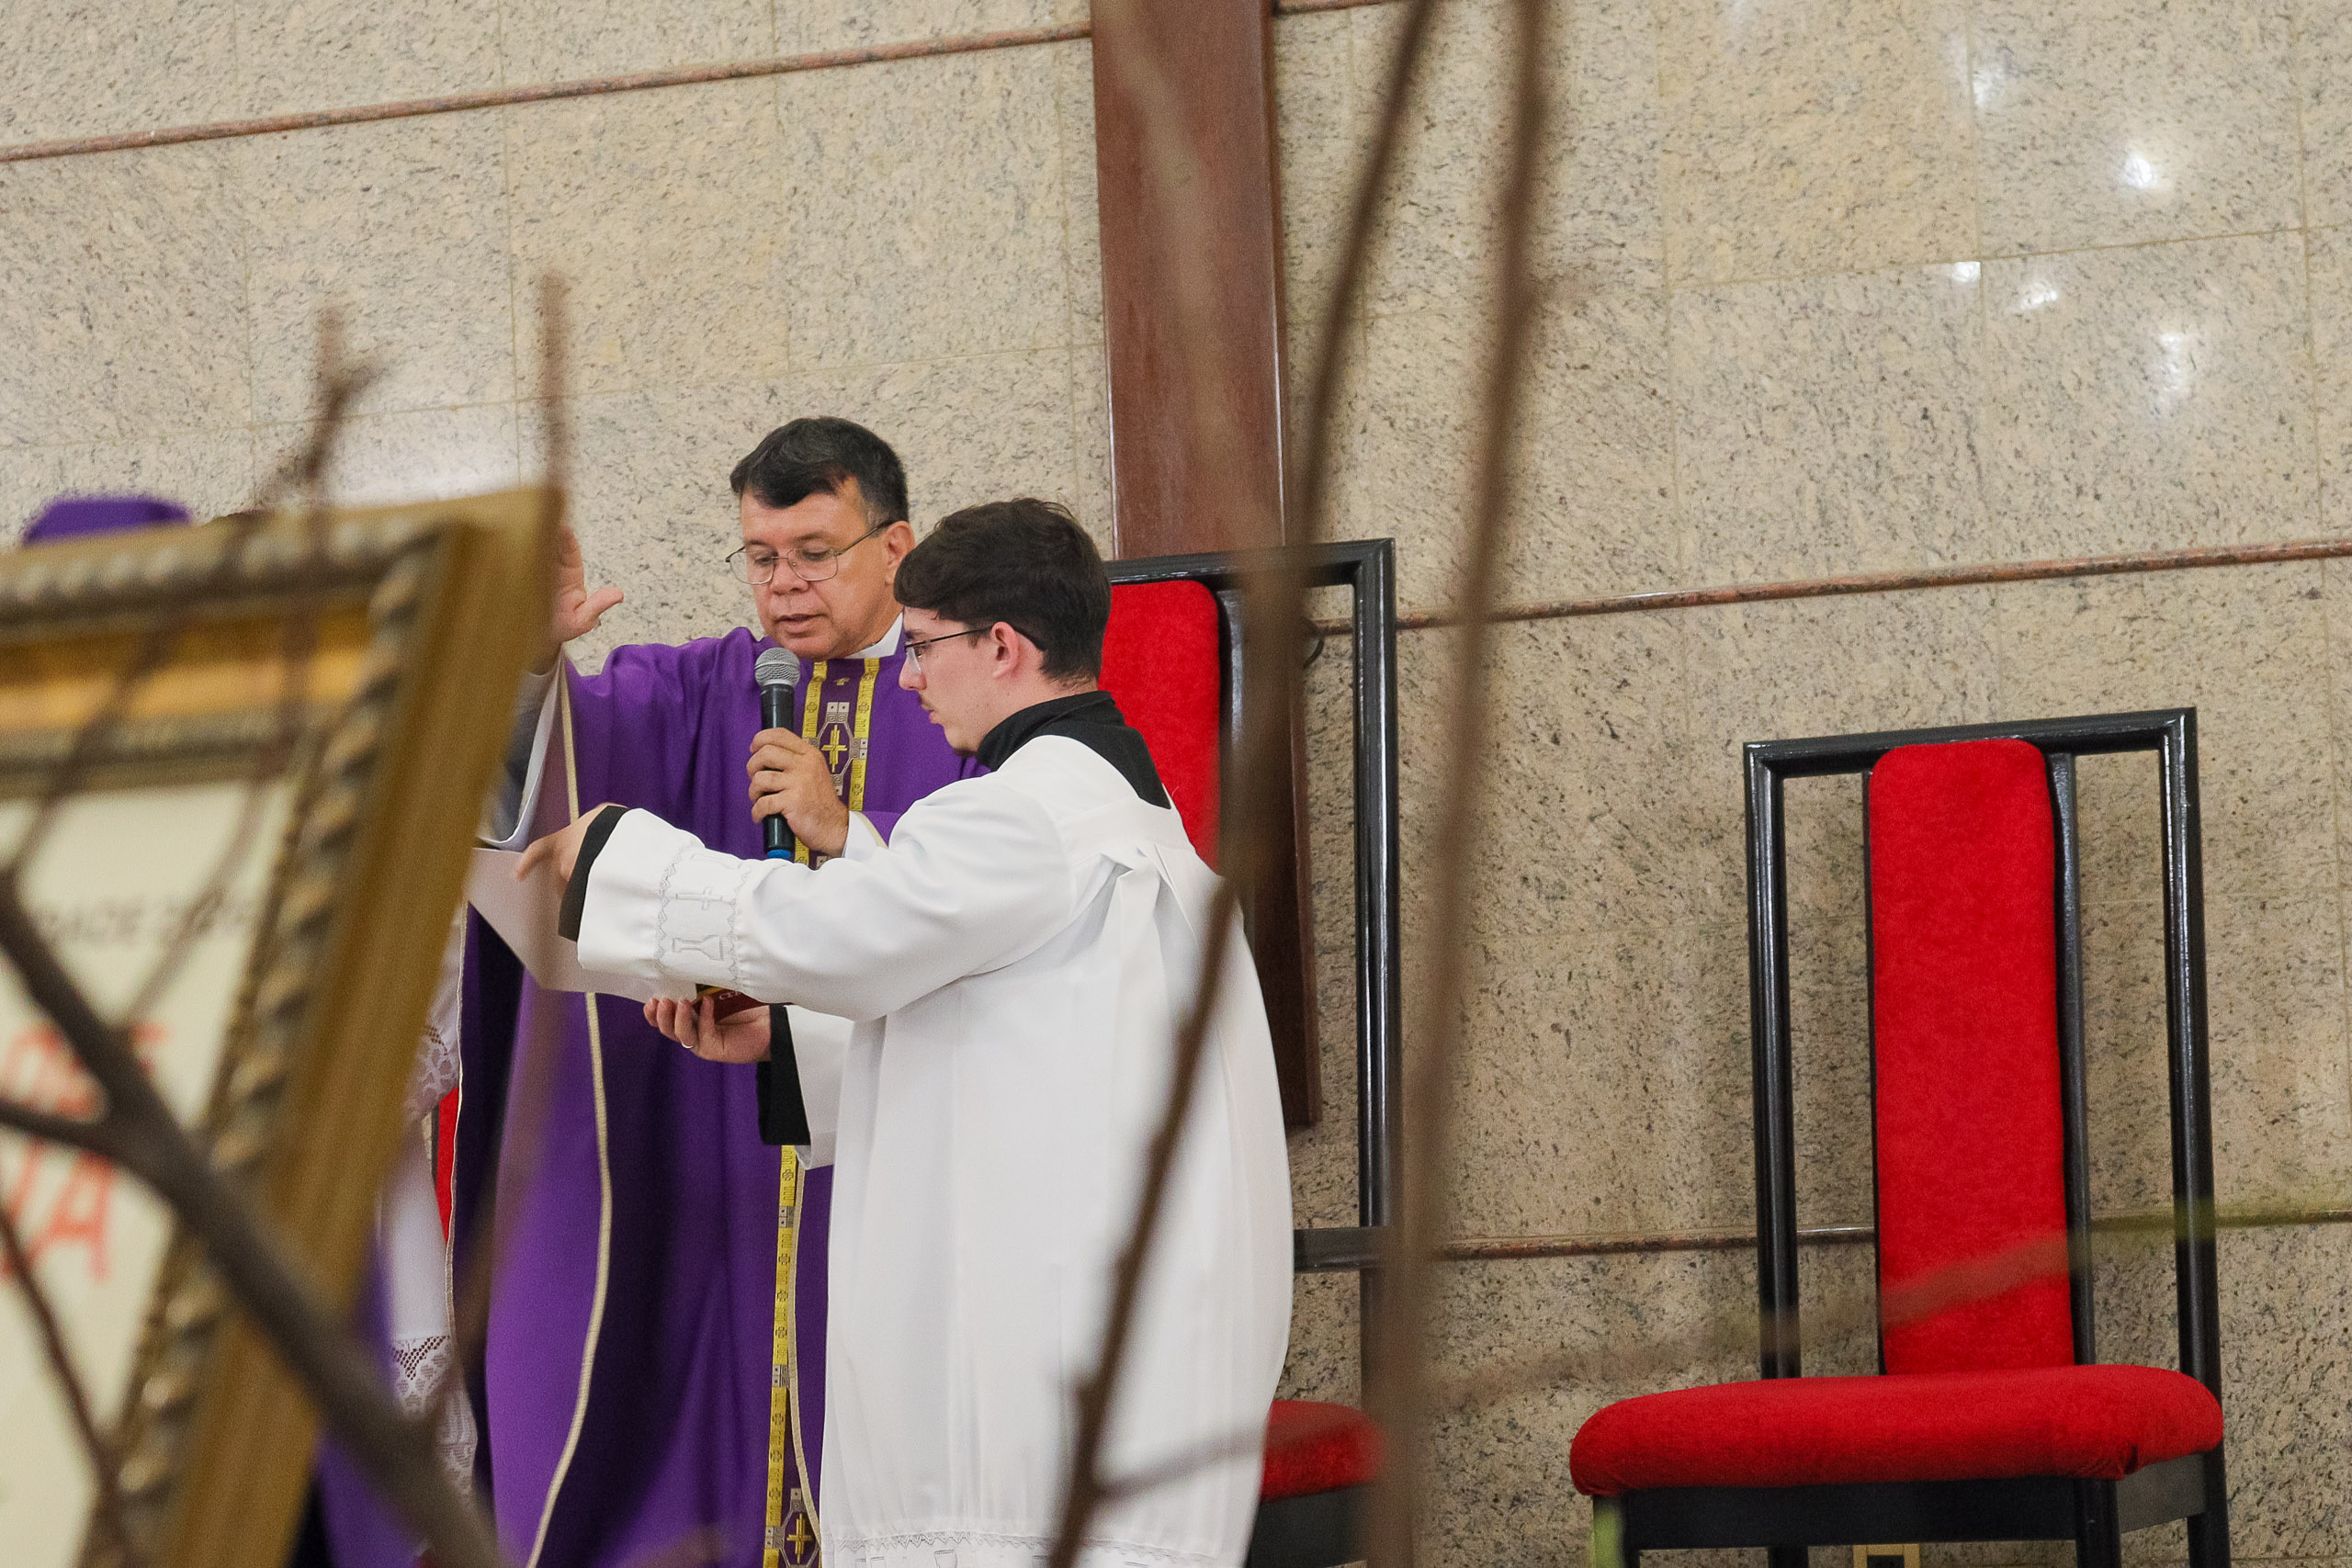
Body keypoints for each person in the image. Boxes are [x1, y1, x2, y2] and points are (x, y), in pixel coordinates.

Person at [524, 500, 1293, 1568]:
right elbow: (1034, 1059)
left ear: (1003, 647)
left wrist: (621, 863)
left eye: (925, 647)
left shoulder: (1020, 816)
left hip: (1030, 1391)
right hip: (1130, 1350)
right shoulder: (1138, 821)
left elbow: (835, 929)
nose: (914, 678)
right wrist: (789, 1040)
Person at [412, 419, 980, 1568]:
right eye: (761, 557)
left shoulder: (961, 703)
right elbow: (549, 777)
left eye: (814, 552)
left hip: (894, 1145)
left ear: (896, 547)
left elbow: (990, 896)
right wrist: (527, 671)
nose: (783, 586)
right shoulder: (703, 689)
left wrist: (848, 825)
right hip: (709, 1141)